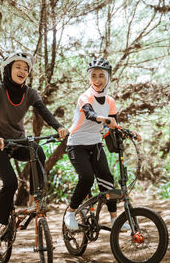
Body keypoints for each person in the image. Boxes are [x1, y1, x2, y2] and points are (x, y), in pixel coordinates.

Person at [0, 52, 69, 247]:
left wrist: (58, 127)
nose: (22, 71)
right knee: (10, 182)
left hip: (17, 141)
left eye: (26, 68)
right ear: (8, 69)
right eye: (18, 67)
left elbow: (44, 112)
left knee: (37, 151)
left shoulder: (30, 93)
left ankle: (34, 199)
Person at [64, 58, 141, 231]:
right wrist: (106, 120)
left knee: (107, 179)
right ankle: (70, 212)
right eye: (93, 76)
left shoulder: (110, 101)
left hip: (95, 144)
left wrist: (130, 133)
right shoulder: (84, 97)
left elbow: (114, 125)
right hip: (76, 144)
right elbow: (90, 114)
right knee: (87, 177)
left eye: (101, 76)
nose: (97, 80)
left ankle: (115, 220)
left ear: (107, 77)